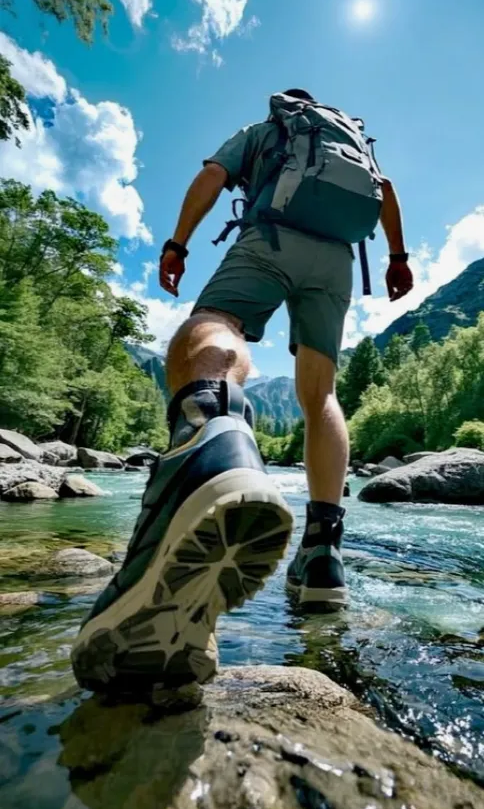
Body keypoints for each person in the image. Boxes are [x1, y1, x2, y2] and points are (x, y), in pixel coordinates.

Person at [71, 89, 413, 696]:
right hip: (337, 259)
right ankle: (321, 557)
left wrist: (177, 242)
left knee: (215, 325)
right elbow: (383, 194)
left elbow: (212, 174)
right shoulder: (350, 143)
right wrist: (396, 256)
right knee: (321, 395)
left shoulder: (269, 130)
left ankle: (209, 439)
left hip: (272, 238)